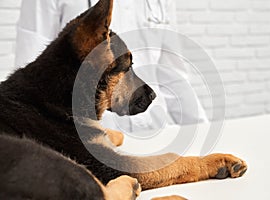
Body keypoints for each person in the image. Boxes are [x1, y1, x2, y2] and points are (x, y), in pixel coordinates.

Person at [15, 0, 207, 135]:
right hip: (89, 140)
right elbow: (35, 80)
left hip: (156, 132)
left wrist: (202, 131)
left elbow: (172, 74)